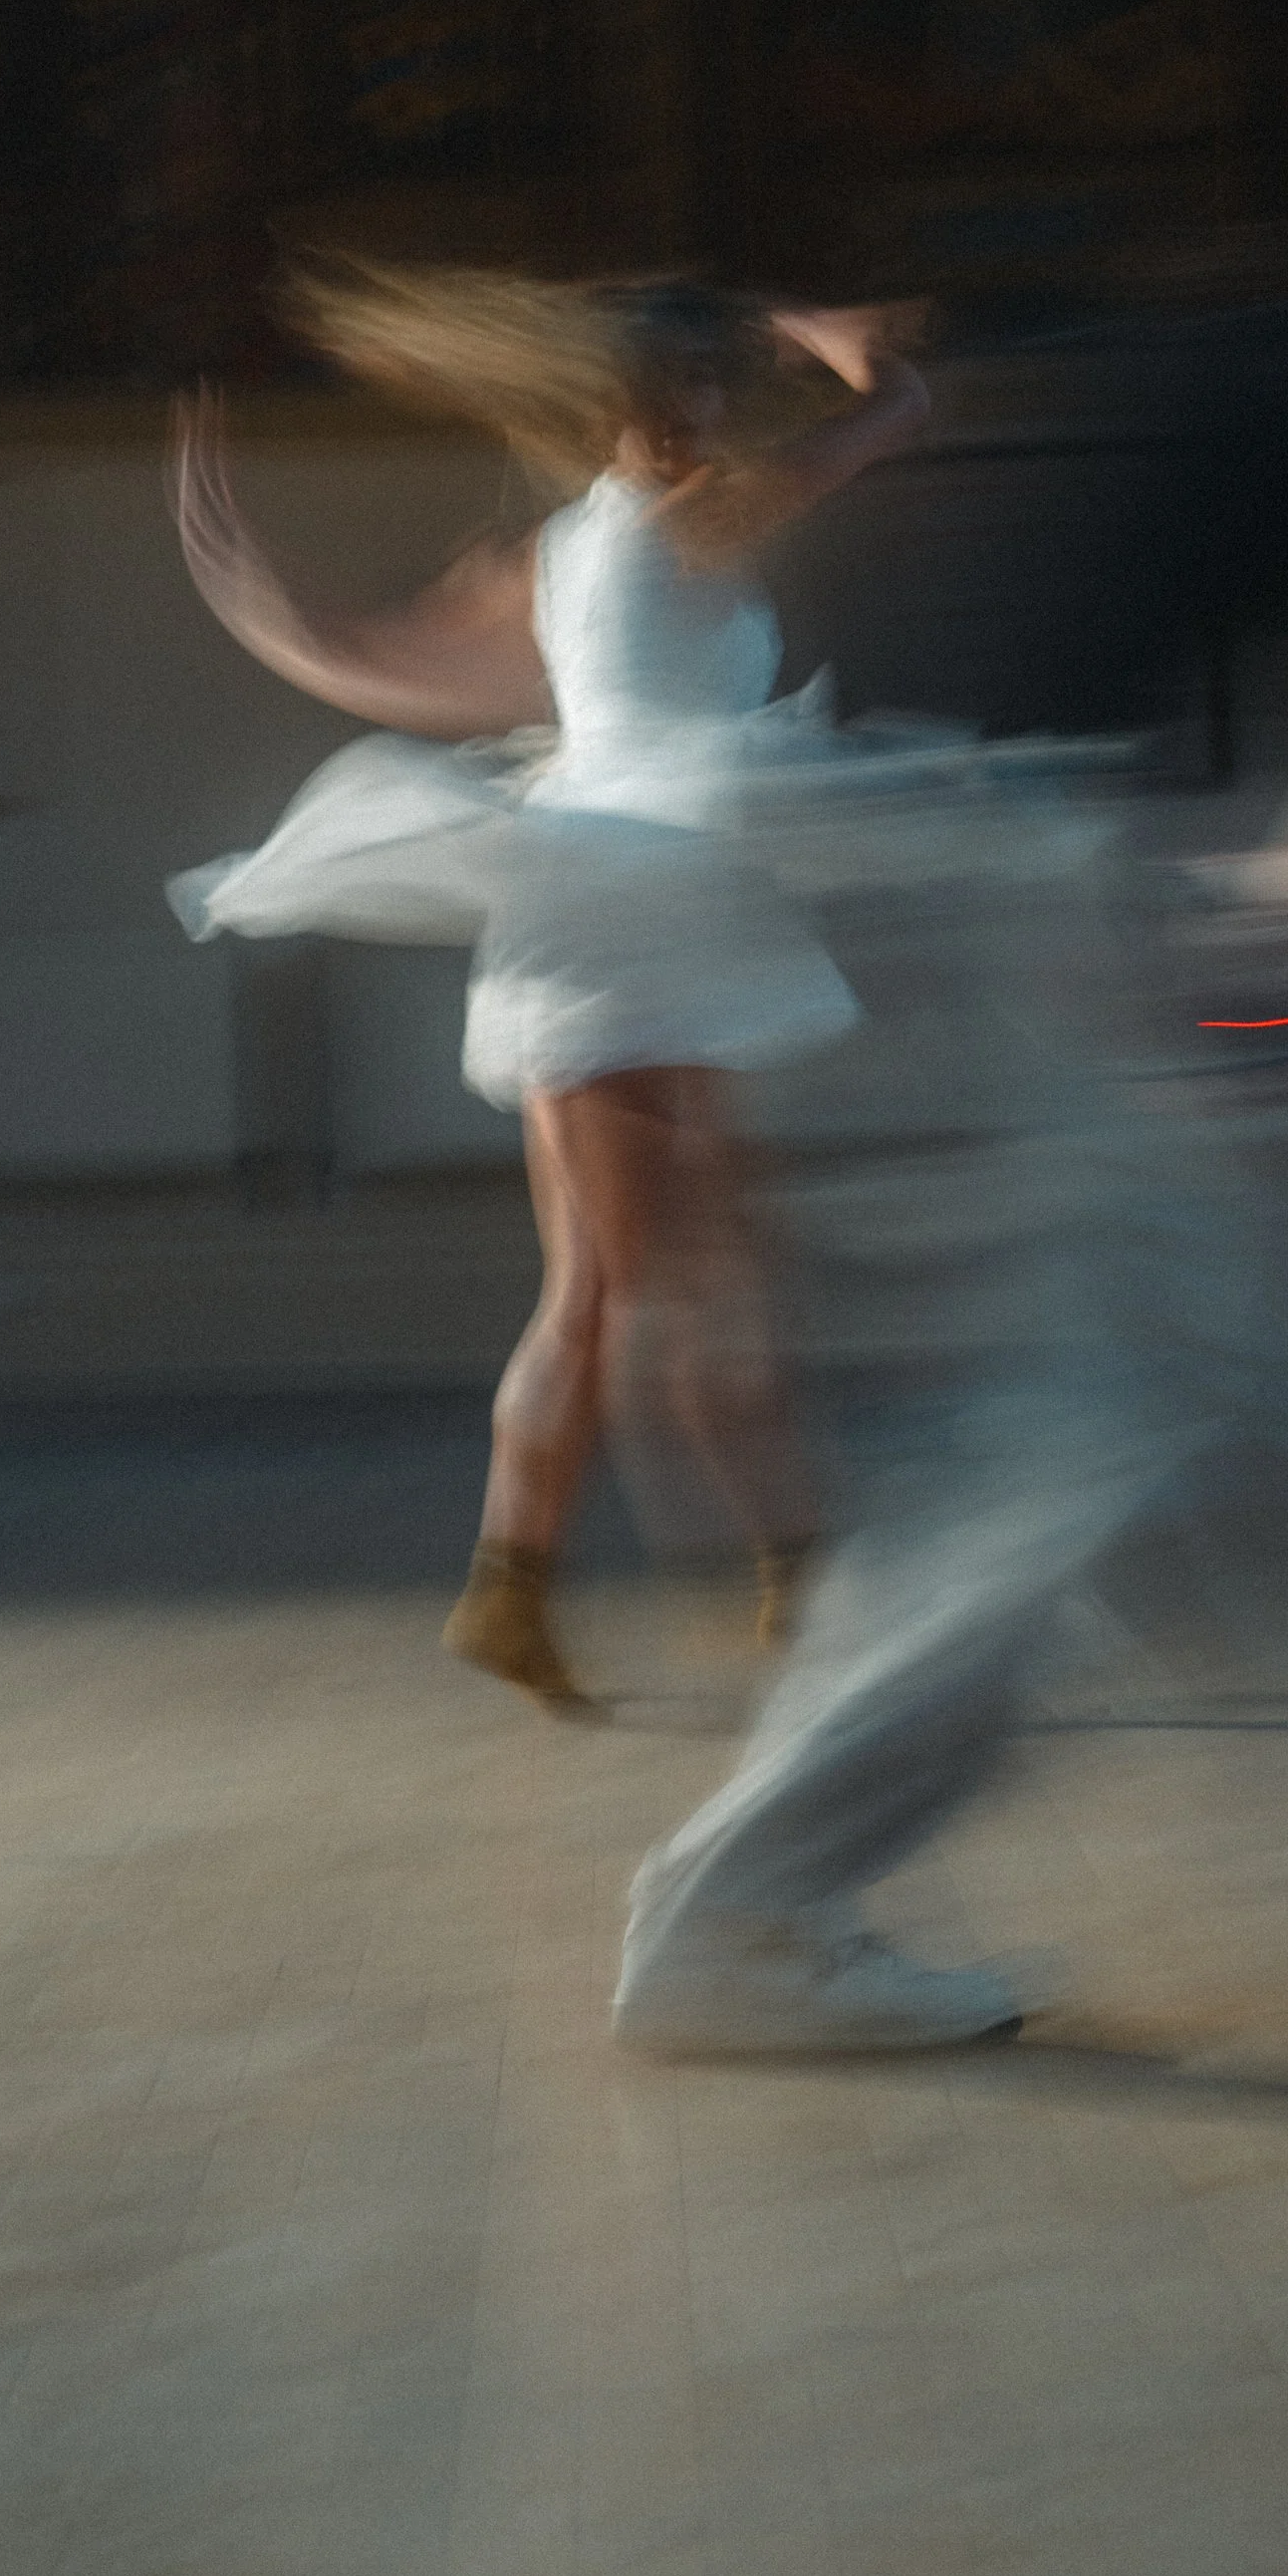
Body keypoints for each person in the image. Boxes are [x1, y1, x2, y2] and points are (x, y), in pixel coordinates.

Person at [168, 259, 930, 1713]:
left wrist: (246, 590)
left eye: (708, 387)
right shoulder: (700, 513)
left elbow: (376, 663)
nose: (701, 411)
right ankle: (784, 1583)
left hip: (608, 905)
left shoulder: (562, 551)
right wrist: (828, 340)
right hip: (639, 913)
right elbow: (902, 406)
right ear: (647, 405)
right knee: (672, 1283)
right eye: (687, 388)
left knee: (614, 1287)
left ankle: (554, 1593)